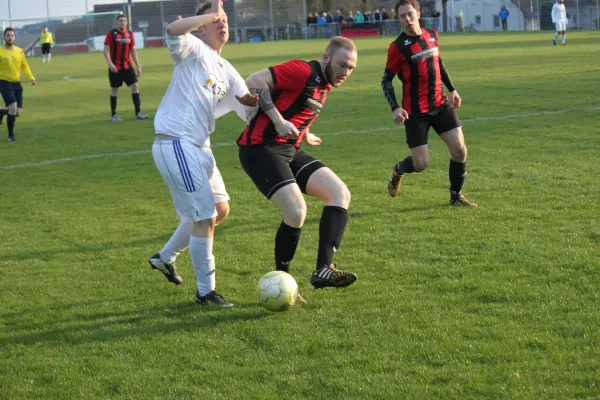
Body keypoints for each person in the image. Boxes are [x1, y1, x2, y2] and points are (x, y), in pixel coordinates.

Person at [149, 1, 258, 307]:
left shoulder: (227, 69)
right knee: (204, 217)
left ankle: (165, 257)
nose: (223, 23)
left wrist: (256, 102)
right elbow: (172, 30)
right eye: (216, 19)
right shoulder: (193, 48)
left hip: (199, 146)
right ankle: (205, 293)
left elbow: (246, 110)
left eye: (224, 19)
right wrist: (209, 13)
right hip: (176, 143)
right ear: (202, 25)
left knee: (220, 211)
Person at [237, 36, 358, 290]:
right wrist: (278, 120)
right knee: (296, 211)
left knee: (339, 193)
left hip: (289, 149)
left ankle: (324, 269)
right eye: (342, 64)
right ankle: (282, 281)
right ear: (326, 58)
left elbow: (299, 107)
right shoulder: (303, 70)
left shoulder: (324, 85)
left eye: (351, 68)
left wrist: (305, 132)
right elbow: (254, 81)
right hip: (260, 147)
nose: (346, 72)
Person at [381, 0, 477, 207]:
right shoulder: (397, 47)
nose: (407, 19)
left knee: (460, 150)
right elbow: (386, 80)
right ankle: (398, 169)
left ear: (418, 13)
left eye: (410, 14)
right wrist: (395, 107)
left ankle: (456, 197)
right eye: (402, 16)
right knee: (421, 163)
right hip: (415, 112)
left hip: (440, 104)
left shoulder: (432, 35)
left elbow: (439, 63)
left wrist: (452, 89)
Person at [103, 14, 148, 121]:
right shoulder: (111, 34)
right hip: (115, 68)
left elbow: (133, 51)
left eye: (124, 21)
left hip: (127, 66)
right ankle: (113, 115)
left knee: (135, 86)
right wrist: (110, 64)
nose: (122, 22)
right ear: (117, 22)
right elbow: (106, 50)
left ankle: (138, 113)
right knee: (114, 90)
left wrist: (138, 66)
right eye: (120, 20)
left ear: (126, 22)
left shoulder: (130, 34)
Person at [0, 28, 36, 142]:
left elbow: (24, 66)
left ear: (14, 37)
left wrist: (31, 77)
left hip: (16, 83)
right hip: (4, 82)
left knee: (17, 112)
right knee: (13, 106)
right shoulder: (0, 52)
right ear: (4, 37)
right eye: (7, 35)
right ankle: (11, 135)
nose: (10, 37)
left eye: (12, 35)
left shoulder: (19, 51)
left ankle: (1, 112)